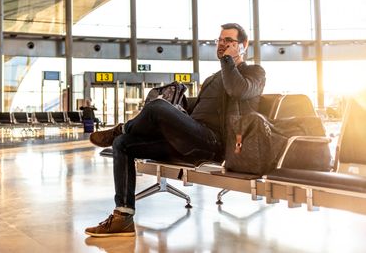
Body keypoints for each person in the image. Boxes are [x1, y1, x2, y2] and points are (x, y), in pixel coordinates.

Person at [84, 23, 266, 237]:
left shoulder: (254, 72)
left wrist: (228, 60)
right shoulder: (212, 78)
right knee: (123, 144)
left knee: (157, 108)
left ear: (243, 45)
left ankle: (122, 128)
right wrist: (176, 104)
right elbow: (197, 109)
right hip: (189, 140)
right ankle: (123, 217)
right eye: (220, 40)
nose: (222, 44)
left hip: (213, 144)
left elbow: (238, 90)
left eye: (229, 41)